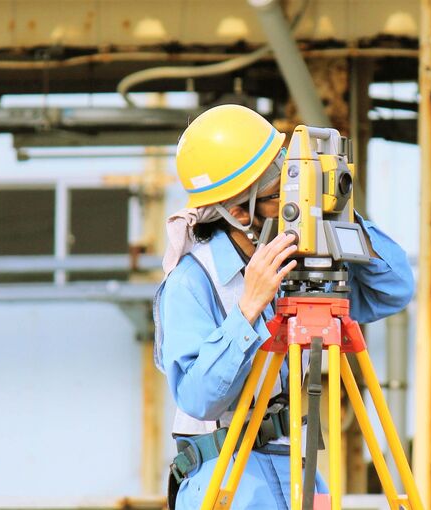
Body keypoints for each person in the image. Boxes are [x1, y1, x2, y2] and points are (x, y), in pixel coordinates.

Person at [153, 104, 414, 509]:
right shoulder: (191, 280)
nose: (297, 197)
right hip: (228, 479)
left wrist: (334, 211)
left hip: (298, 469)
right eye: (284, 192)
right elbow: (198, 396)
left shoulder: (297, 259)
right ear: (240, 212)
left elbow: (393, 289)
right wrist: (248, 310)